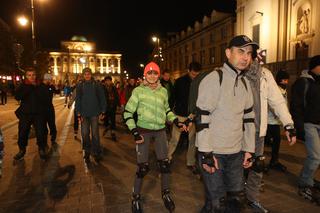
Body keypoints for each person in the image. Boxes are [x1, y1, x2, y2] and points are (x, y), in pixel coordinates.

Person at [195, 35, 256, 212]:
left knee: (237, 201)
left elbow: (249, 119)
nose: (246, 57)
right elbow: (202, 118)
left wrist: (249, 149)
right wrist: (206, 153)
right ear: (228, 53)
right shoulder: (214, 79)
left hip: (236, 154)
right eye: (241, 51)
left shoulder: (245, 83)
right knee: (218, 204)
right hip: (214, 153)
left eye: (249, 53)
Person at [124, 62, 186, 212]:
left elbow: (167, 111)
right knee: (142, 167)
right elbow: (127, 113)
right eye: (149, 73)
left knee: (165, 165)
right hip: (143, 131)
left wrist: (176, 121)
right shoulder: (138, 91)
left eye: (155, 73)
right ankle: (136, 197)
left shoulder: (163, 91)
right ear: (145, 75)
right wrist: (134, 132)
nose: (152, 76)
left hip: (160, 131)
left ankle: (166, 193)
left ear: (158, 75)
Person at [245, 47, 296, 212]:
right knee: (235, 168)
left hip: (259, 132)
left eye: (250, 55)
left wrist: (288, 124)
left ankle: (252, 198)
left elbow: (277, 101)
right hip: (238, 133)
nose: (247, 58)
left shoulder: (265, 75)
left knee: (257, 167)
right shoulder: (234, 74)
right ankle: (233, 198)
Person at [290, 55, 320, 204]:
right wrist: (299, 127)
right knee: (315, 157)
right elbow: (295, 106)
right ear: (315, 66)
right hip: (309, 124)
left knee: (316, 157)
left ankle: (307, 178)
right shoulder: (303, 82)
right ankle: (304, 183)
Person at [168, 62, 201, 174]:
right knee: (174, 139)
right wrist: (169, 114)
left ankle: (190, 162)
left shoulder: (200, 81)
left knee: (192, 140)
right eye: (192, 74)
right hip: (180, 115)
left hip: (192, 115)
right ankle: (167, 158)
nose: (194, 76)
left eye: (196, 74)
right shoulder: (179, 82)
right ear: (188, 70)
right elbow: (172, 98)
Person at [14, 68, 48, 160]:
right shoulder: (23, 85)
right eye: (29, 75)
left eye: (33, 75)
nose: (31, 77)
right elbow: (17, 96)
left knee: (41, 132)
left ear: (35, 75)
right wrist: (28, 88)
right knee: (22, 132)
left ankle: (41, 149)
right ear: (26, 76)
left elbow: (46, 98)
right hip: (26, 113)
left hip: (38, 114)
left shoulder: (41, 85)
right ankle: (22, 150)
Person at [75, 68, 106, 163]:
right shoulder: (80, 85)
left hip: (94, 113)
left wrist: (103, 111)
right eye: (85, 74)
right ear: (83, 75)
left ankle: (96, 152)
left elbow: (102, 98)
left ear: (91, 75)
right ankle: (87, 152)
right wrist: (78, 112)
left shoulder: (96, 85)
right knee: (84, 134)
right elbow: (78, 99)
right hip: (84, 114)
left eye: (88, 74)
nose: (87, 75)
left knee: (95, 134)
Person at [265, 70, 290, 172]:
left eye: (287, 80)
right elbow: (272, 104)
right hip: (269, 121)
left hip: (276, 122)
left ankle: (274, 161)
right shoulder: (276, 90)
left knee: (276, 142)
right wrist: (277, 113)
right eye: (284, 80)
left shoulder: (284, 90)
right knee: (266, 143)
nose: (286, 82)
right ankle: (262, 163)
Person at [42, 73, 60, 147]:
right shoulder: (40, 86)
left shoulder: (51, 86)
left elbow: (57, 92)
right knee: (43, 125)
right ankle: (44, 140)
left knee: (52, 123)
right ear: (45, 79)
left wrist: (55, 85)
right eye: (48, 79)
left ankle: (53, 137)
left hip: (50, 108)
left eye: (50, 79)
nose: (49, 80)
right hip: (42, 109)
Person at [103, 76, 119, 141]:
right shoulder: (103, 88)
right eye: (107, 80)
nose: (108, 82)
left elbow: (117, 96)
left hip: (112, 106)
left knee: (113, 119)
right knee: (106, 119)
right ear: (105, 81)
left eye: (109, 80)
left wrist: (118, 104)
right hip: (106, 106)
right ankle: (107, 127)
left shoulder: (114, 87)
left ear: (111, 81)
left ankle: (113, 132)